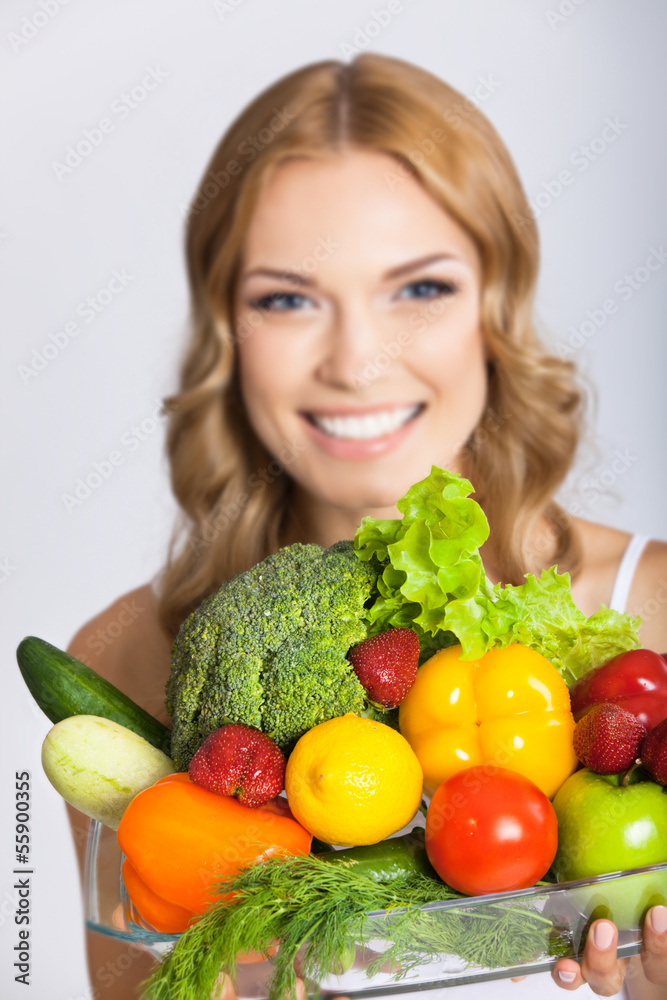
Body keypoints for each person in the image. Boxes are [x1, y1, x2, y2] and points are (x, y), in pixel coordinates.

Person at [65, 53, 667, 999]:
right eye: (287, 299)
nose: (356, 361)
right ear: (226, 330)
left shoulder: (655, 614)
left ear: (495, 307)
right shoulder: (121, 662)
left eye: (419, 288)